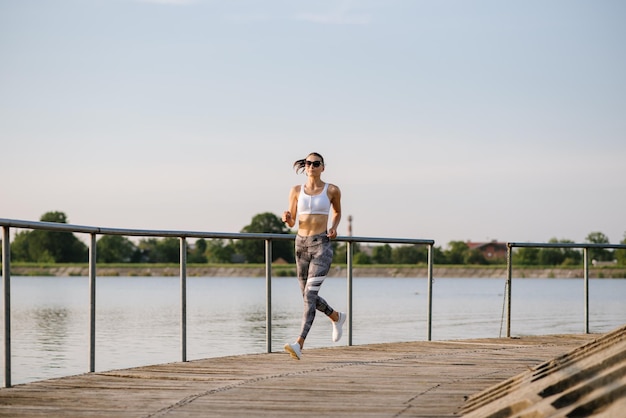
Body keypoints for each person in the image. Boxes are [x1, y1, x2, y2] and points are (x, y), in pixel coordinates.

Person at [282, 152, 346, 360]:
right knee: (307, 296)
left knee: (310, 296)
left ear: (322, 167)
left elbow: (336, 212)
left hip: (321, 246)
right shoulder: (296, 190)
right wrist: (287, 218)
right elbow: (292, 221)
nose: (311, 166)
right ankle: (336, 317)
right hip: (300, 245)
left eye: (315, 163)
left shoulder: (332, 190)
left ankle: (299, 343)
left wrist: (334, 227)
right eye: (308, 163)